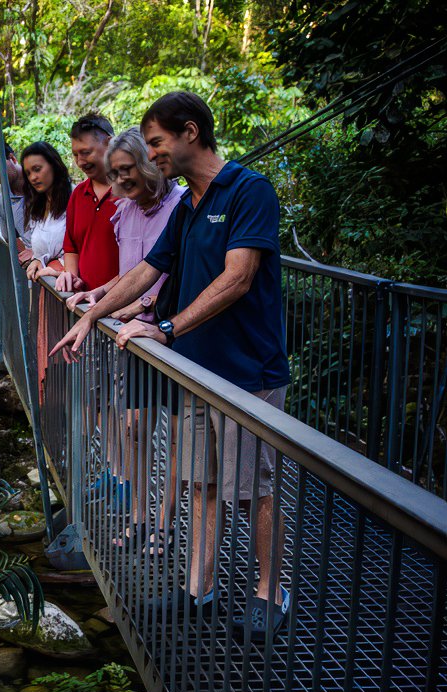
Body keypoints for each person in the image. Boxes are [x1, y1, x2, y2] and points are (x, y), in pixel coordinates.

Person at [49, 92, 291, 641]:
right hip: (194, 370)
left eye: (156, 142)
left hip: (245, 372)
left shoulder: (249, 191)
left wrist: (168, 327)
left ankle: (269, 590)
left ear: (189, 132)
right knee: (200, 483)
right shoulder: (191, 205)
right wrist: (92, 318)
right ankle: (198, 591)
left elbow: (238, 278)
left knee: (252, 488)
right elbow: (148, 269)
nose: (151, 153)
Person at [67, 127, 184, 552]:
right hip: (130, 336)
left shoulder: (179, 206)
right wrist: (100, 293)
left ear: (147, 162)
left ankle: (165, 524)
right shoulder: (127, 209)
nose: (121, 179)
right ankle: (138, 515)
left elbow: (171, 270)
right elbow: (132, 270)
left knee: (172, 435)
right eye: (115, 173)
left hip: (167, 332)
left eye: (127, 169)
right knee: (134, 429)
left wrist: (144, 303)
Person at [16, 141, 72, 398]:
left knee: (73, 363)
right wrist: (38, 260)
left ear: (55, 165)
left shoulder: (74, 203)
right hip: (49, 296)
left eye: (37, 169)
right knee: (56, 362)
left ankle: (77, 429)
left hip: (69, 297)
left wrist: (56, 269)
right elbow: (41, 250)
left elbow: (78, 254)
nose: (33, 177)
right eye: (28, 173)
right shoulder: (40, 207)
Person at [55, 114, 119, 295]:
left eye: (86, 152)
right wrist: (71, 276)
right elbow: (71, 247)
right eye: (75, 155)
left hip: (121, 310)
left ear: (109, 143)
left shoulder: (130, 194)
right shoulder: (78, 194)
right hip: (82, 303)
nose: (80, 162)